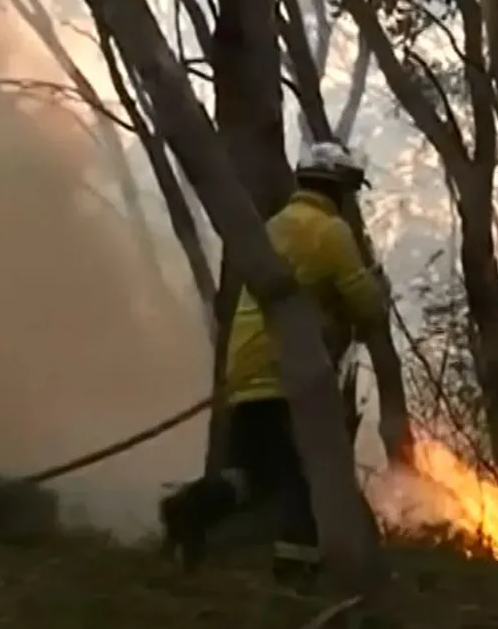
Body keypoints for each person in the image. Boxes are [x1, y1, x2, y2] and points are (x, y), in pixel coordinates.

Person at [158, 141, 387, 585]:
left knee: (252, 475)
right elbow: (366, 307)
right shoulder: (329, 232)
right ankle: (295, 571)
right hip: (284, 371)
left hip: (245, 368)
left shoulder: (275, 226)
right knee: (303, 477)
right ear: (339, 188)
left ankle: (187, 510)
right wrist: (375, 289)